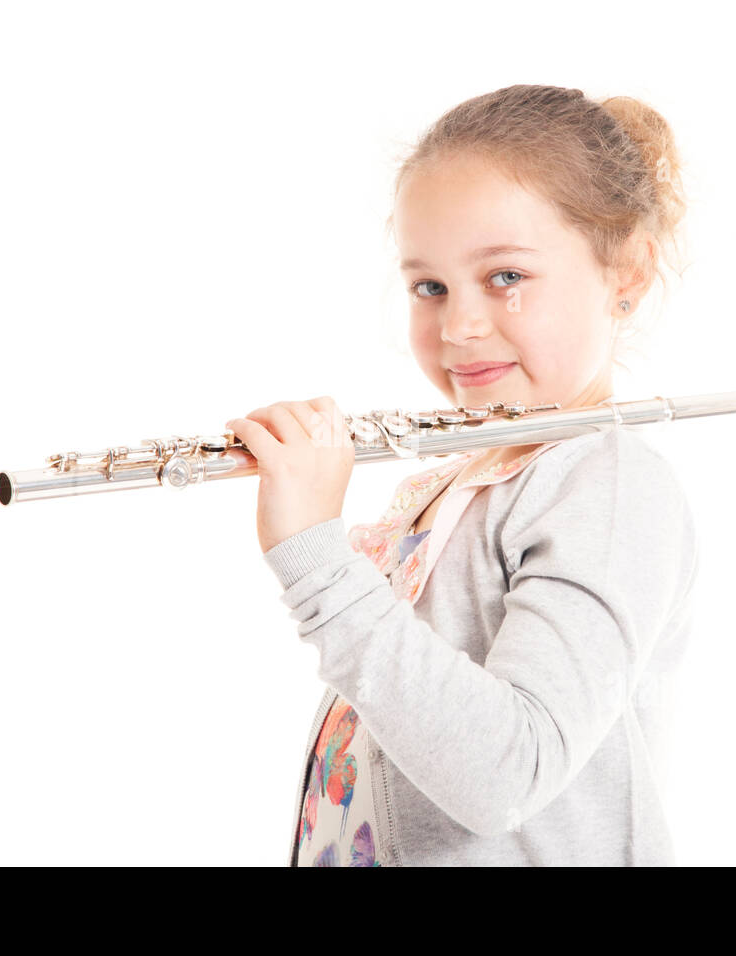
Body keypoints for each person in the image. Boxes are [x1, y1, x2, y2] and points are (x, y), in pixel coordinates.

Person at [224, 84, 698, 866]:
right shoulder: (458, 482)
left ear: (627, 273)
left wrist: (318, 558)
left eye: (506, 276)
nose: (459, 325)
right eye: (429, 287)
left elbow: (504, 775)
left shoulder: (607, 485)